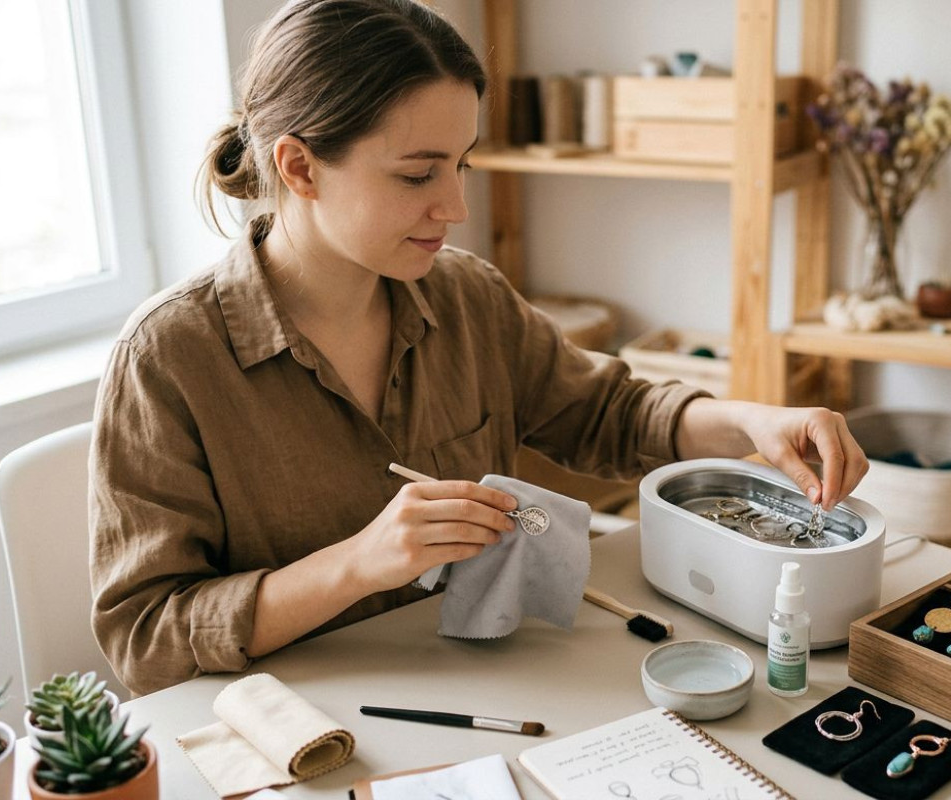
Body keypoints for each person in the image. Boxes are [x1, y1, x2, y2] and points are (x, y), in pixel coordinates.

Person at [90, 0, 868, 696]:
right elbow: (146, 640)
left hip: (490, 688)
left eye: (460, 164)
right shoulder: (169, 359)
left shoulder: (465, 297)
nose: (456, 205)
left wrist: (755, 424)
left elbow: (609, 412)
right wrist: (356, 563)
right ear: (299, 167)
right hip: (299, 725)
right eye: (418, 174)